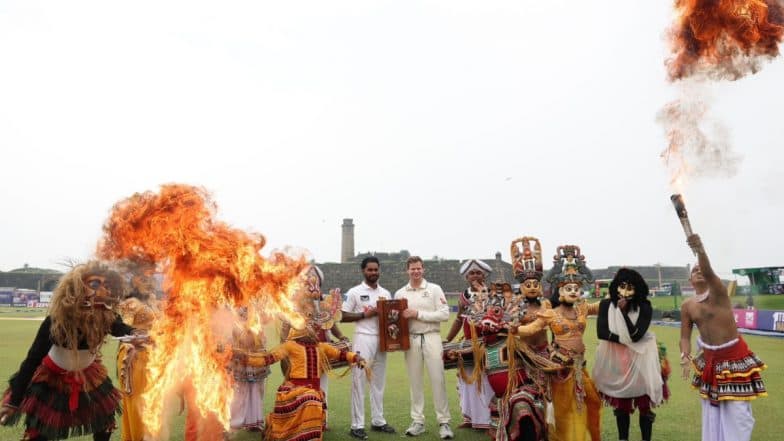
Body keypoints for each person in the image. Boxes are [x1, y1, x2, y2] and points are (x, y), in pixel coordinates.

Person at [0, 261, 139, 441]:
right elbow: (31, 361)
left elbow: (121, 328)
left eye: (106, 285)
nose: (102, 289)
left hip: (89, 376)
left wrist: (136, 334)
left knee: (104, 421)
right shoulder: (56, 321)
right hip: (52, 378)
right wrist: (14, 401)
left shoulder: (106, 316)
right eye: (95, 284)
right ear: (77, 287)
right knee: (40, 432)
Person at [680, 234, 766, 441]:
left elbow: (707, 270)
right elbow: (685, 336)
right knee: (711, 412)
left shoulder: (719, 292)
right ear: (690, 280)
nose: (698, 271)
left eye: (701, 269)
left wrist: (700, 250)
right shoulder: (687, 306)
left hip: (734, 360)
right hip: (709, 362)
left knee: (738, 414)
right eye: (694, 271)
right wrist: (685, 354)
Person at [514, 245, 601, 441]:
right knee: (563, 410)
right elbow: (533, 328)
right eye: (568, 288)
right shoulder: (550, 313)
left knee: (593, 401)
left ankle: (588, 435)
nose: (573, 292)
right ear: (560, 291)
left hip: (580, 366)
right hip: (560, 367)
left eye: (576, 289)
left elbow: (602, 306)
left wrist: (617, 294)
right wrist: (514, 330)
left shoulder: (583, 309)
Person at [238, 325, 367, 441]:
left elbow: (341, 354)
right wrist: (244, 358)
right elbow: (268, 359)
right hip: (295, 389)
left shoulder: (322, 347)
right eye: (308, 328)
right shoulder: (290, 345)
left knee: (313, 398)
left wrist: (357, 358)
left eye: (312, 329)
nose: (312, 330)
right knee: (311, 399)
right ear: (299, 332)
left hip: (313, 391)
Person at [593, 268, 668, 441]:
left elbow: (636, 336)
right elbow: (601, 333)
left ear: (638, 289)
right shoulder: (606, 305)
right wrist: (626, 340)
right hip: (617, 358)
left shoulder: (644, 307)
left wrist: (624, 314)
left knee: (644, 403)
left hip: (643, 358)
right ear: (615, 287)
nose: (625, 292)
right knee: (621, 404)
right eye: (622, 286)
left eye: (630, 287)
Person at [395, 256, 453, 439]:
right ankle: (417, 421)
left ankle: (444, 422)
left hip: (431, 337)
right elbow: (395, 320)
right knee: (415, 382)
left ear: (423, 269)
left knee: (438, 379)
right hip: (410, 339)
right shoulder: (400, 293)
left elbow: (444, 314)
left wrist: (418, 314)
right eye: (412, 269)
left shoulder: (434, 289)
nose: (416, 272)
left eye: (418, 268)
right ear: (407, 271)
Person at [340, 256, 396, 439]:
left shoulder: (386, 293)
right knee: (359, 381)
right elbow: (342, 316)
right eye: (369, 270)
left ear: (379, 270)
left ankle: (378, 421)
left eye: (376, 269)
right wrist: (366, 314)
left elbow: (392, 317)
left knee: (378, 382)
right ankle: (357, 425)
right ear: (363, 271)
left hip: (383, 339)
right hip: (363, 338)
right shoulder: (355, 292)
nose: (373, 272)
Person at [444, 259, 495, 432]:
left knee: (486, 382)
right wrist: (448, 339)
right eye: (471, 273)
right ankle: (470, 417)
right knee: (467, 382)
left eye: (478, 273)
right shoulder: (463, 296)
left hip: (488, 345)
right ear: (466, 276)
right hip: (467, 344)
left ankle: (488, 420)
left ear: (484, 275)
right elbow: (459, 319)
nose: (475, 276)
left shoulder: (493, 295)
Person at [115, 261, 161, 441]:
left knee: (151, 399)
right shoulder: (130, 304)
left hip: (151, 356)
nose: (149, 281)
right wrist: (140, 336)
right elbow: (124, 328)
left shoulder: (150, 299)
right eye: (144, 278)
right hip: (134, 356)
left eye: (149, 277)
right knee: (137, 400)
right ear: (134, 280)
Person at [229, 307, 269, 432]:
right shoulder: (236, 326)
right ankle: (236, 422)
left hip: (257, 362)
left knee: (257, 390)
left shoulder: (257, 324)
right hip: (242, 363)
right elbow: (239, 342)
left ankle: (254, 422)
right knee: (241, 391)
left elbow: (262, 341)